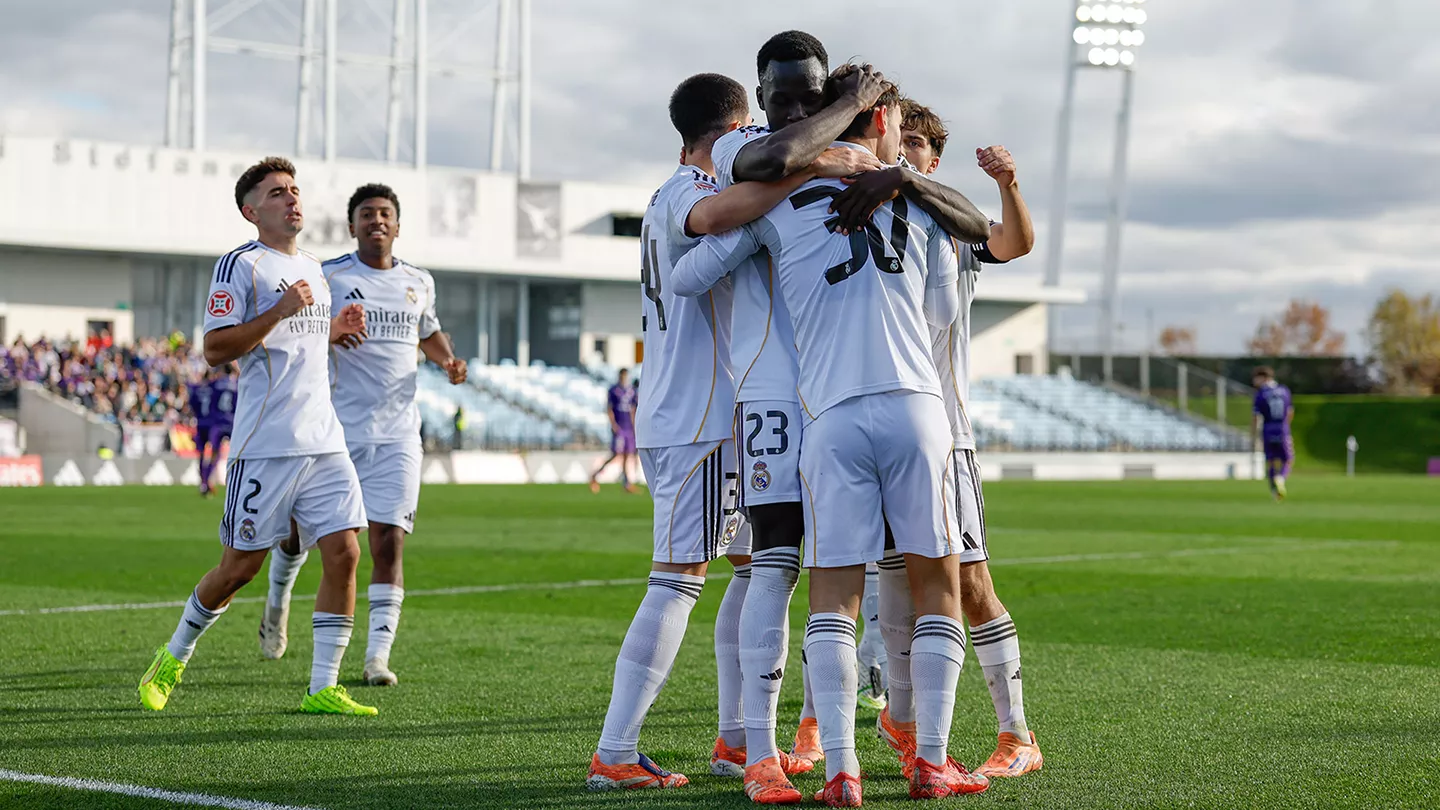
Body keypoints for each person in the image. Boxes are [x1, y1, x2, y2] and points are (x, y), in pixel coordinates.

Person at [673, 66, 989, 806]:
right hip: (917, 409)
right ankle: (931, 762)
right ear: (881, 122)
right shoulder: (924, 205)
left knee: (829, 597)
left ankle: (841, 769)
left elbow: (691, 274)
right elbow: (944, 311)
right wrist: (904, 187)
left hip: (828, 417)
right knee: (935, 586)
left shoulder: (779, 200)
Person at [585, 72, 865, 796]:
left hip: (713, 412)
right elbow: (718, 219)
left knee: (753, 567)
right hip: (698, 412)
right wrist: (815, 164)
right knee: (678, 578)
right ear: (736, 130)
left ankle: (737, 738)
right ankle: (615, 750)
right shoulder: (687, 189)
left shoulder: (679, 188)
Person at [136, 156, 375, 716]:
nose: (292, 199)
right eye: (276, 193)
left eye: (294, 190)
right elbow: (215, 348)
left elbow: (298, 345)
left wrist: (333, 329)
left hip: (325, 440)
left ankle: (322, 687)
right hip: (266, 445)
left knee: (344, 551)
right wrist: (280, 309)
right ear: (251, 211)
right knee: (239, 569)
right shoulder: (240, 265)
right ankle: (172, 657)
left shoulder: (315, 268)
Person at [886, 98, 1043, 779]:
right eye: (899, 137)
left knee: (971, 582)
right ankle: (902, 722)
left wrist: (1008, 182)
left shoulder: (951, 221)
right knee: (892, 581)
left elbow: (1013, 243)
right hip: (884, 433)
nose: (906, 149)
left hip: (946, 434)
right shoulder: (864, 215)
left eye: (918, 142)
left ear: (935, 159)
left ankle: (1017, 735)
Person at [258, 183, 468, 688]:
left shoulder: (419, 282)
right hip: (336, 431)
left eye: (385, 213)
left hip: (399, 435)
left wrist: (447, 360)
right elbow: (298, 331)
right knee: (301, 536)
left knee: (388, 542)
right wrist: (331, 330)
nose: (377, 221)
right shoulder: (329, 275)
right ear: (352, 226)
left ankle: (377, 657)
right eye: (367, 214)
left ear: (397, 225)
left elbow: (428, 332)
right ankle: (278, 599)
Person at [190, 364, 237, 497]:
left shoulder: (213, 385)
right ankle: (237, 483)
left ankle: (204, 482)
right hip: (232, 422)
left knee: (207, 453)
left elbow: (196, 403)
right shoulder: (237, 384)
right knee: (238, 453)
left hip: (213, 422)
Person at [589, 369, 639, 494]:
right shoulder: (613, 390)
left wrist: (634, 427)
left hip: (628, 428)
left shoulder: (631, 391)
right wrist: (613, 424)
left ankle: (627, 483)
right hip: (619, 427)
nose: (624, 378)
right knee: (616, 454)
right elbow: (610, 408)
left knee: (627, 454)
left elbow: (633, 410)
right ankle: (595, 475)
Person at [1252, 366, 1294, 499]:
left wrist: (1254, 434)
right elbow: (1290, 412)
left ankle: (1275, 491)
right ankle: (1281, 478)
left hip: (1268, 428)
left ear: (1263, 378)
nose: (1254, 381)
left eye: (1256, 378)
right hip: (1282, 427)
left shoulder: (1261, 393)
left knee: (1270, 460)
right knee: (1287, 459)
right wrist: (1286, 427)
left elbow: (1256, 416)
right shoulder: (1284, 390)